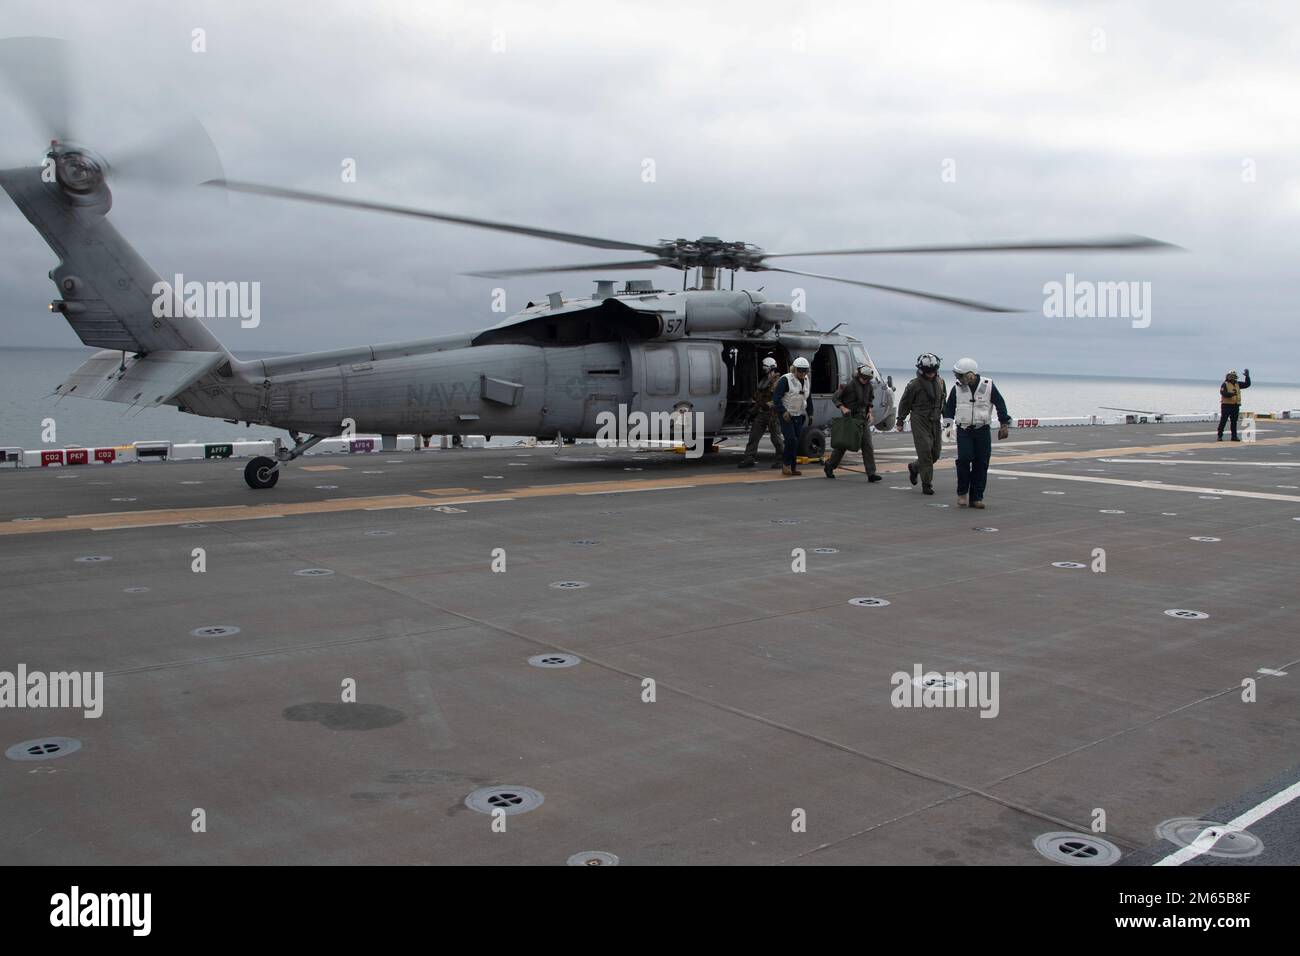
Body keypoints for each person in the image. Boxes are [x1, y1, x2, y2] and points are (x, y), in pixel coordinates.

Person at [941, 357, 1010, 509]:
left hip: (982, 430)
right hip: (964, 430)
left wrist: (1004, 423)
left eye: (960, 375)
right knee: (964, 459)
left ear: (970, 375)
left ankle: (976, 497)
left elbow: (1000, 403)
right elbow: (949, 407)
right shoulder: (957, 388)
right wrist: (947, 426)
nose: (957, 378)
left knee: (982, 463)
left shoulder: (988, 385)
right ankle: (962, 493)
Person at [896, 352, 945, 495]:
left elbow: (943, 402)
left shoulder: (941, 382)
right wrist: (900, 420)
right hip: (919, 420)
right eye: (928, 372)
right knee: (925, 452)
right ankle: (927, 484)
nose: (931, 375)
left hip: (935, 421)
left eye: (933, 371)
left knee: (935, 454)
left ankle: (914, 467)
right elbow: (904, 403)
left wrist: (947, 420)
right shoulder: (914, 385)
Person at [823, 364, 882, 482]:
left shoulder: (869, 386)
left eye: (867, 379)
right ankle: (830, 465)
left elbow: (870, 400)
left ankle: (871, 473)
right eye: (863, 378)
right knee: (843, 444)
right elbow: (836, 397)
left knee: (868, 446)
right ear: (859, 375)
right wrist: (843, 408)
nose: (865, 381)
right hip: (850, 418)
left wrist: (870, 412)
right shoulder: (849, 385)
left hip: (863, 420)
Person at [738, 356, 785, 468]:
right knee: (754, 436)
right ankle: (749, 458)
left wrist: (767, 405)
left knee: (776, 439)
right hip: (762, 413)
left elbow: (780, 399)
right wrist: (752, 411)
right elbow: (759, 399)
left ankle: (782, 460)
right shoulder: (764, 381)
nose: (763, 370)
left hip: (773, 414)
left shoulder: (779, 382)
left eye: (765, 368)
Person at [772, 356, 813, 476]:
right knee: (791, 439)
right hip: (787, 415)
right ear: (794, 369)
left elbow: (808, 397)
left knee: (796, 441)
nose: (802, 373)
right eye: (800, 370)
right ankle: (786, 464)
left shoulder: (806, 380)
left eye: (805, 371)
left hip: (799, 415)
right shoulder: (785, 380)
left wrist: (810, 414)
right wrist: (783, 411)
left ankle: (793, 467)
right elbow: (776, 398)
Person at [1217, 368, 1251, 441]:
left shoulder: (1237, 384)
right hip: (1226, 405)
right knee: (1223, 421)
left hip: (1235, 405)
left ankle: (1234, 436)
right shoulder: (1225, 384)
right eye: (1230, 376)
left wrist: (1247, 376)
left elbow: (1247, 384)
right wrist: (1231, 394)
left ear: (1235, 377)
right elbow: (1223, 393)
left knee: (1234, 422)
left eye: (1233, 376)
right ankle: (1219, 436)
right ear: (1227, 376)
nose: (1232, 377)